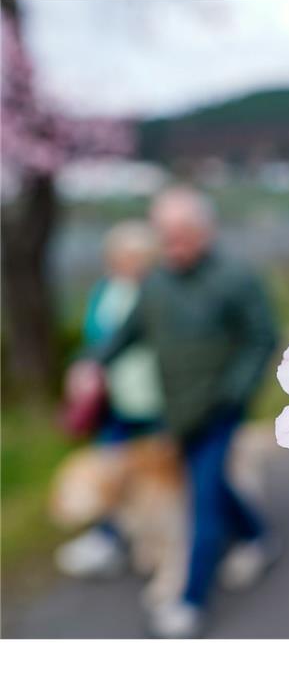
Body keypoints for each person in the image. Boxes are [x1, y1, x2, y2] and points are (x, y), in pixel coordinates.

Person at [75, 187, 280, 638]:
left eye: (183, 233)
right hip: (176, 409)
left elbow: (262, 337)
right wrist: (91, 364)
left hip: (220, 409)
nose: (173, 243)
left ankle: (189, 601)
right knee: (214, 485)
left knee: (202, 501)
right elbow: (126, 335)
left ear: (205, 231)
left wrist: (235, 392)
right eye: (165, 234)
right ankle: (256, 537)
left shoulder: (236, 277)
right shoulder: (156, 283)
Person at [56, 221, 164, 579]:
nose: (127, 263)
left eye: (134, 256)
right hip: (116, 400)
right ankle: (110, 536)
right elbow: (96, 339)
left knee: (158, 476)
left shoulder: (160, 290)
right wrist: (85, 369)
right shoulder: (105, 290)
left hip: (155, 399)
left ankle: (157, 538)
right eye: (120, 256)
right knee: (109, 472)